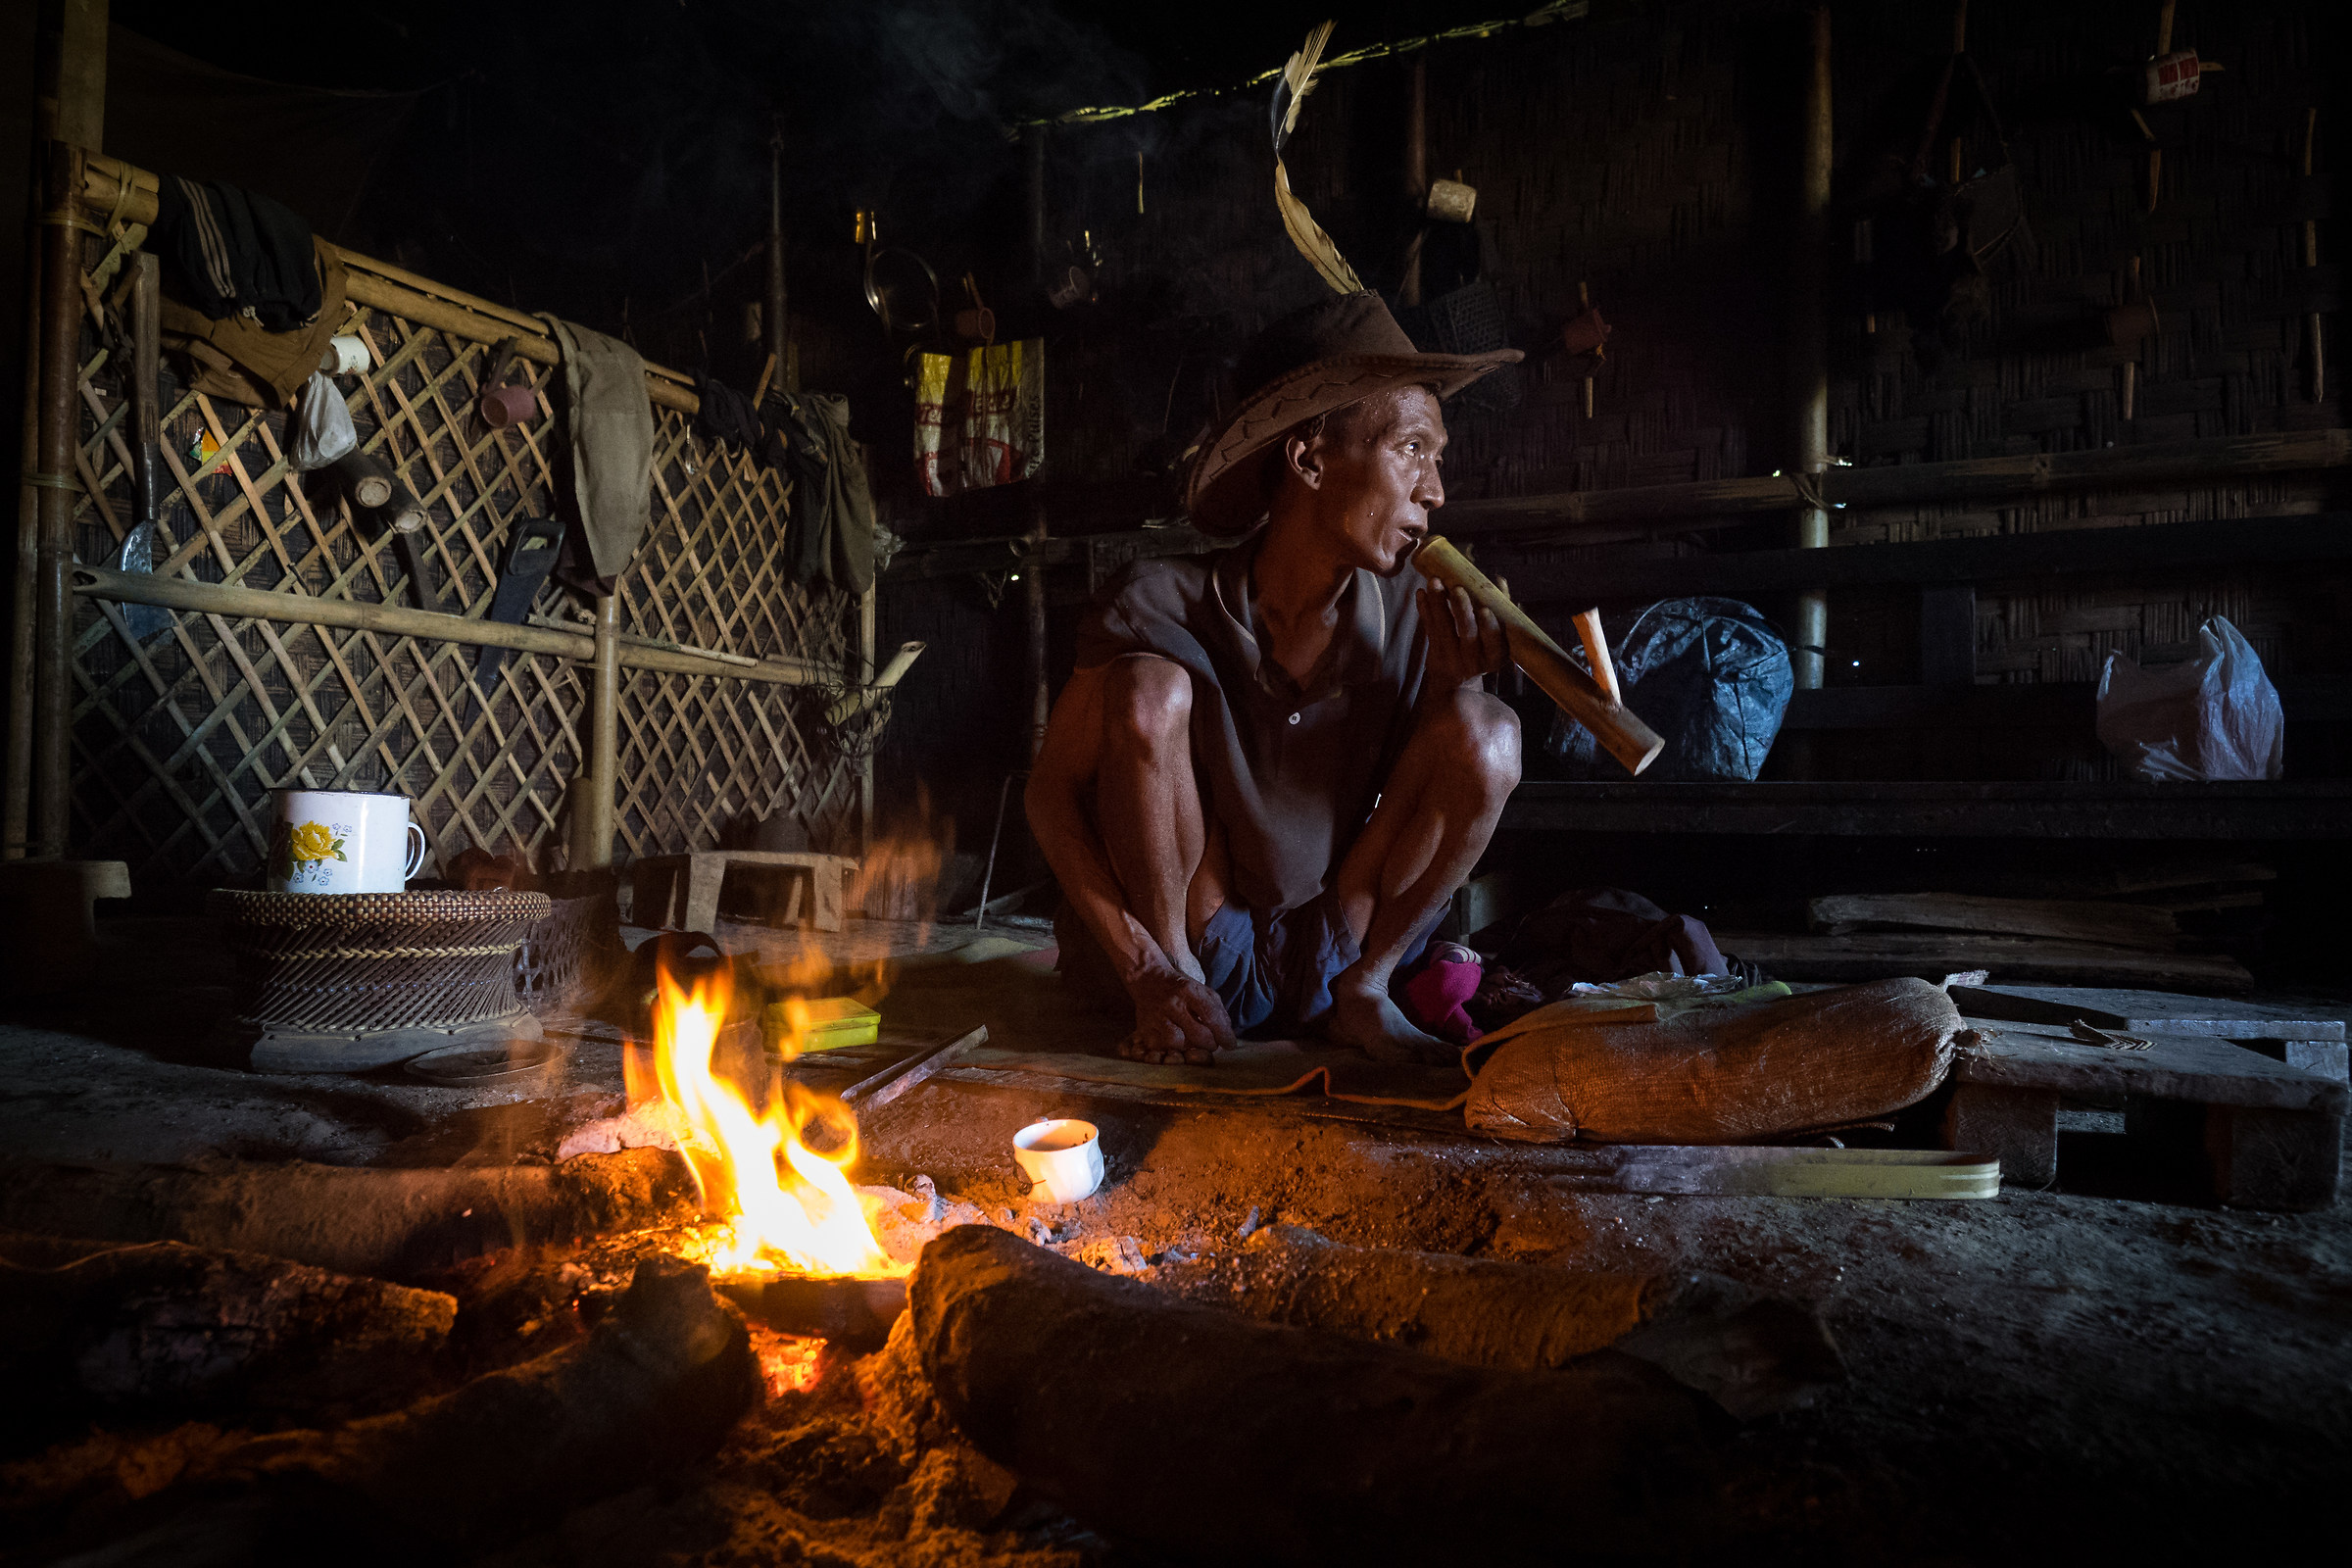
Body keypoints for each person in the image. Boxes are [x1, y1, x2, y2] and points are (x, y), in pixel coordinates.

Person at [1026, 291, 1524, 1066]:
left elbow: (1430, 792)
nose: (1436, 491)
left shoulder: (1416, 615)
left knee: (1487, 731)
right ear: (1309, 459)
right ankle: (1183, 1000)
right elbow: (1050, 793)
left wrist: (1454, 691)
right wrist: (1148, 970)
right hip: (1200, 943)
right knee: (1151, 690)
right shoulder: (1158, 602)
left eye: (1438, 458)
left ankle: (1370, 993)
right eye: (1412, 450)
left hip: (1337, 952)